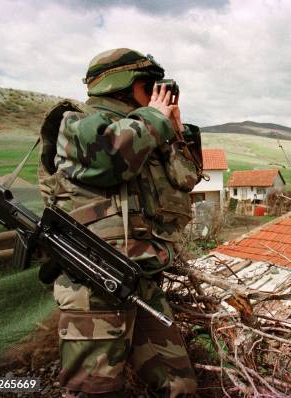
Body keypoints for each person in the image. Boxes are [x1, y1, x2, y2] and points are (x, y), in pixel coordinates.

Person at [37, 48, 201, 398]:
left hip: (139, 282)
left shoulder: (149, 132)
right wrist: (154, 121)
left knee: (179, 385)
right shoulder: (77, 123)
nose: (160, 95)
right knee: (94, 392)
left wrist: (173, 131)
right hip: (93, 284)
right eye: (150, 86)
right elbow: (109, 160)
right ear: (125, 85)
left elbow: (186, 179)